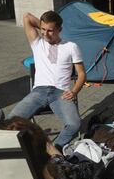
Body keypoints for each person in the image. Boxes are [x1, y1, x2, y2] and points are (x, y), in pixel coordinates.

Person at [8, 11, 86, 148]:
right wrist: (46, 25)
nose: (45, 33)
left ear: (60, 30)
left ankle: (53, 149)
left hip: (60, 93)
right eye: (43, 29)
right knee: (10, 122)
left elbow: (81, 74)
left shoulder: (71, 46)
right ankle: (30, 147)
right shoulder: (37, 43)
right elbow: (27, 17)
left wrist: (74, 91)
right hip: (39, 91)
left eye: (51, 31)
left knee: (75, 124)